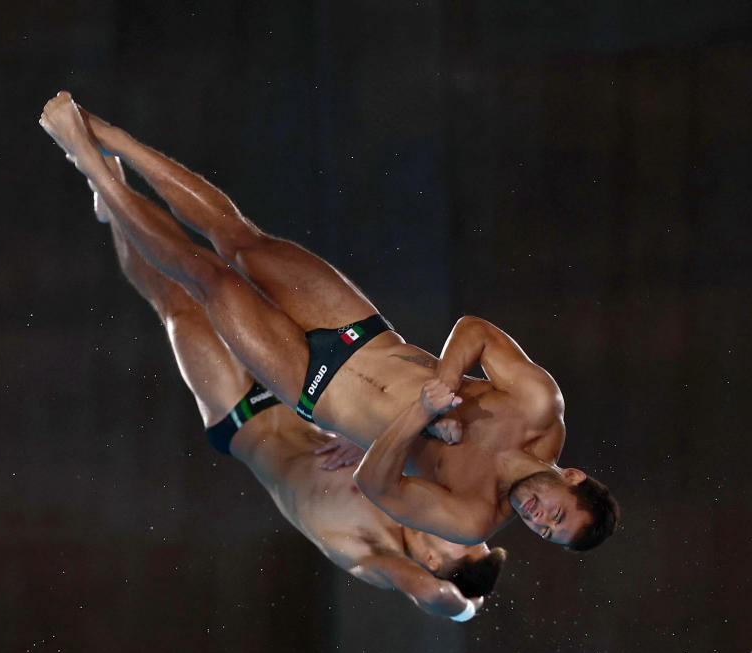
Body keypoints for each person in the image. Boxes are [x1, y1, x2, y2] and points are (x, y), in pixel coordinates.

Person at [39, 91, 618, 551]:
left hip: (311, 386)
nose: (537, 519)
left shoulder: (472, 517)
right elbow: (476, 329)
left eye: (545, 532)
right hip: (360, 333)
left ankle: (94, 167)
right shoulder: (539, 405)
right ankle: (114, 140)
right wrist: (442, 382)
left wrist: (420, 413)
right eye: (556, 513)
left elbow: (374, 485)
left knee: (207, 279)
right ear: (571, 477)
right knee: (240, 240)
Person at [87, 154, 505, 621]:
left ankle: (111, 195)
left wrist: (465, 609)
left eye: (464, 540)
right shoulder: (417, 491)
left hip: (241, 414)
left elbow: (430, 594)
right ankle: (117, 197)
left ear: (434, 561)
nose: (462, 525)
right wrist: (366, 435)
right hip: (296, 389)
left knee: (176, 305)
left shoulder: (375, 558)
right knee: (206, 276)